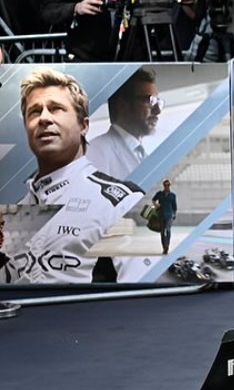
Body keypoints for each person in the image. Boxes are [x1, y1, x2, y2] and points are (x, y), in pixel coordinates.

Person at [4, 69, 142, 284]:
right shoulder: (14, 215)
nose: (44, 118)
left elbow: (140, 297)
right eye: (34, 112)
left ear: (84, 125)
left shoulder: (121, 202)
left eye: (56, 109)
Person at [87, 68, 161, 179]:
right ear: (123, 105)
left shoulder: (144, 155)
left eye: (158, 102)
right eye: (150, 100)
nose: (158, 110)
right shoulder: (95, 151)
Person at [151, 179, 178, 255]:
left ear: (169, 185)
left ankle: (167, 245)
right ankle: (164, 247)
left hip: (169, 215)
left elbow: (174, 206)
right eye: (165, 185)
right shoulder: (159, 194)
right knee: (162, 232)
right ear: (163, 185)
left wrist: (174, 214)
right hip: (161, 215)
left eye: (168, 185)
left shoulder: (172, 195)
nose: (167, 186)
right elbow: (153, 200)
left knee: (168, 229)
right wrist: (156, 205)